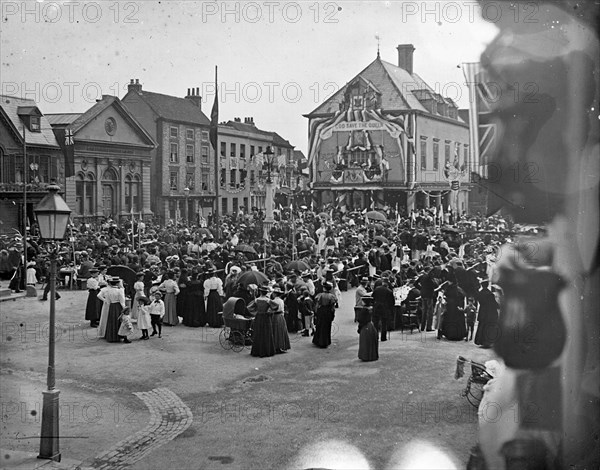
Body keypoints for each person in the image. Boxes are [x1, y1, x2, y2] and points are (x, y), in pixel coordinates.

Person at [248, 286, 276, 357]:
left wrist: (255, 312)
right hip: (266, 317)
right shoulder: (268, 300)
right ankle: (267, 351)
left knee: (258, 332)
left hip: (259, 317)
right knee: (266, 333)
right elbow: (276, 306)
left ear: (260, 292)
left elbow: (249, 308)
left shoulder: (256, 300)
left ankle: (257, 351)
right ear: (266, 293)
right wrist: (270, 311)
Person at [97, 276, 126, 342]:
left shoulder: (108, 291)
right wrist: (124, 308)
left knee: (111, 320)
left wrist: (106, 302)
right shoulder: (120, 291)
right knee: (118, 320)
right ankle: (118, 336)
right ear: (117, 283)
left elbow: (107, 300)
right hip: (117, 306)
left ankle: (111, 336)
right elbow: (122, 301)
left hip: (111, 306)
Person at [474, 281, 499, 348]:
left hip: (482, 311)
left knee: (482, 326)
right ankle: (487, 341)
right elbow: (494, 304)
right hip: (489, 312)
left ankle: (480, 341)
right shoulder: (490, 294)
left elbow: (479, 301)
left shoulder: (480, 293)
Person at [312, 282, 337, 348]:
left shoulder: (320, 295)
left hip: (321, 311)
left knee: (319, 325)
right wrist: (333, 314)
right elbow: (333, 307)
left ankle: (318, 341)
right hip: (328, 311)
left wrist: (316, 313)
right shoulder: (332, 296)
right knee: (327, 326)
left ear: (324, 288)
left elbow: (317, 305)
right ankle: (326, 341)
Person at [270, 288, 291, 353]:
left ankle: (276, 346)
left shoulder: (274, 301)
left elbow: (272, 309)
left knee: (276, 331)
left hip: (276, 316)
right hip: (281, 316)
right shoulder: (281, 300)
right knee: (281, 331)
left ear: (275, 294)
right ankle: (281, 346)